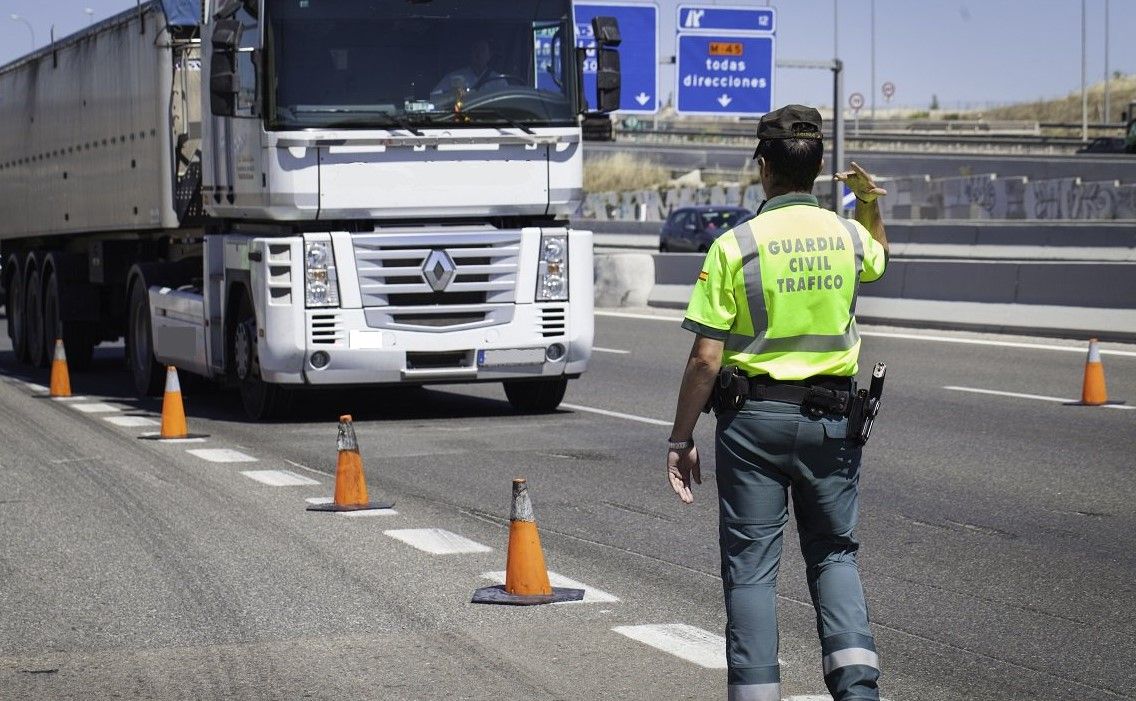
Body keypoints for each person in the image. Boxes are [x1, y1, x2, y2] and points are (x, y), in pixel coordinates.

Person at [665, 104, 889, 701]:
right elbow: (878, 259)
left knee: (751, 572)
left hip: (753, 425)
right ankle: (858, 691)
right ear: (817, 167)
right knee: (834, 555)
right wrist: (869, 202)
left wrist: (681, 438)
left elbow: (706, 359)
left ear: (763, 166)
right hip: (833, 422)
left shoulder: (734, 246)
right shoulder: (848, 236)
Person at [431, 38, 507, 99]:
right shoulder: (453, 78)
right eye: (475, 49)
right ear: (470, 53)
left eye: (482, 49)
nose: (478, 53)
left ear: (489, 55)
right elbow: (435, 98)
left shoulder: (499, 81)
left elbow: (506, 103)